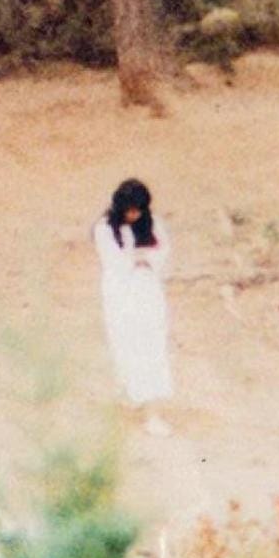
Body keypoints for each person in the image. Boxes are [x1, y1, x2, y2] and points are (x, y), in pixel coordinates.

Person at [93, 179, 174, 436]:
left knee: (152, 348)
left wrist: (141, 259)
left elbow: (160, 253)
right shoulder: (105, 228)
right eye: (129, 210)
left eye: (138, 210)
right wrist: (138, 258)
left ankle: (153, 413)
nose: (133, 215)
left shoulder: (153, 224)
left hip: (148, 294)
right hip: (120, 296)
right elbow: (115, 262)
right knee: (125, 347)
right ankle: (131, 396)